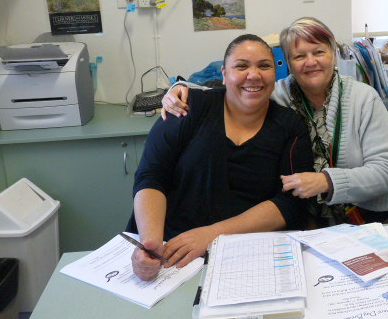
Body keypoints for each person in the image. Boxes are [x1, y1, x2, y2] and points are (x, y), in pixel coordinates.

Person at [162, 17, 388, 226]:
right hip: (333, 222)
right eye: (299, 56)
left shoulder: (364, 98)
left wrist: (325, 182)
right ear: (288, 64)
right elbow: (233, 91)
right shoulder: (278, 94)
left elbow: (386, 174)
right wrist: (180, 90)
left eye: (319, 52)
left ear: (333, 55)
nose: (311, 62)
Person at [127, 34, 313, 281]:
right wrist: (150, 245)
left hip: (247, 256)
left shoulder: (289, 126)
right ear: (224, 74)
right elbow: (152, 176)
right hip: (172, 251)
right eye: (242, 66)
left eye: (264, 65)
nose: (254, 75)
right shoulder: (187, 108)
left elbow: (291, 202)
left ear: (276, 74)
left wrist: (212, 235)